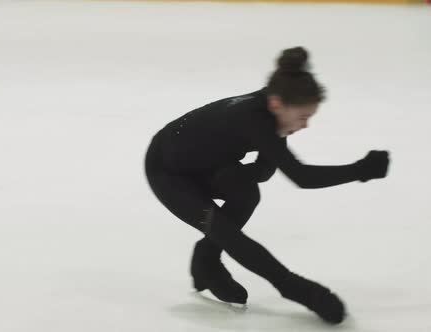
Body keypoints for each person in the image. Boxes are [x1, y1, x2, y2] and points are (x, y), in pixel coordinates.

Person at [144, 46, 390, 324]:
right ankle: (293, 287)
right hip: (168, 172)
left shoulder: (270, 113)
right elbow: (302, 177)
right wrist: (361, 170)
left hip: (201, 164)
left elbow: (262, 172)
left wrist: (262, 158)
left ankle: (206, 259)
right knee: (226, 229)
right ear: (276, 104)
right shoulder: (252, 117)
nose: (305, 125)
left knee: (246, 192)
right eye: (302, 117)